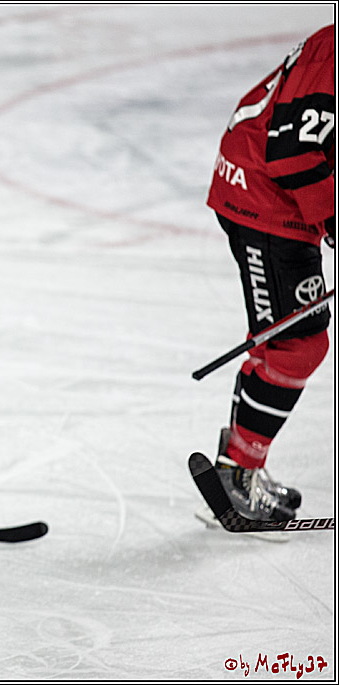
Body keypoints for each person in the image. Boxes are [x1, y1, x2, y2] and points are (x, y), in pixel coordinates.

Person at [206, 24, 334, 522]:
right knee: (295, 343)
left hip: (271, 193)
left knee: (276, 338)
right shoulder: (334, 57)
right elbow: (291, 153)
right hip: (262, 198)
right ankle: (237, 474)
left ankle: (237, 467)